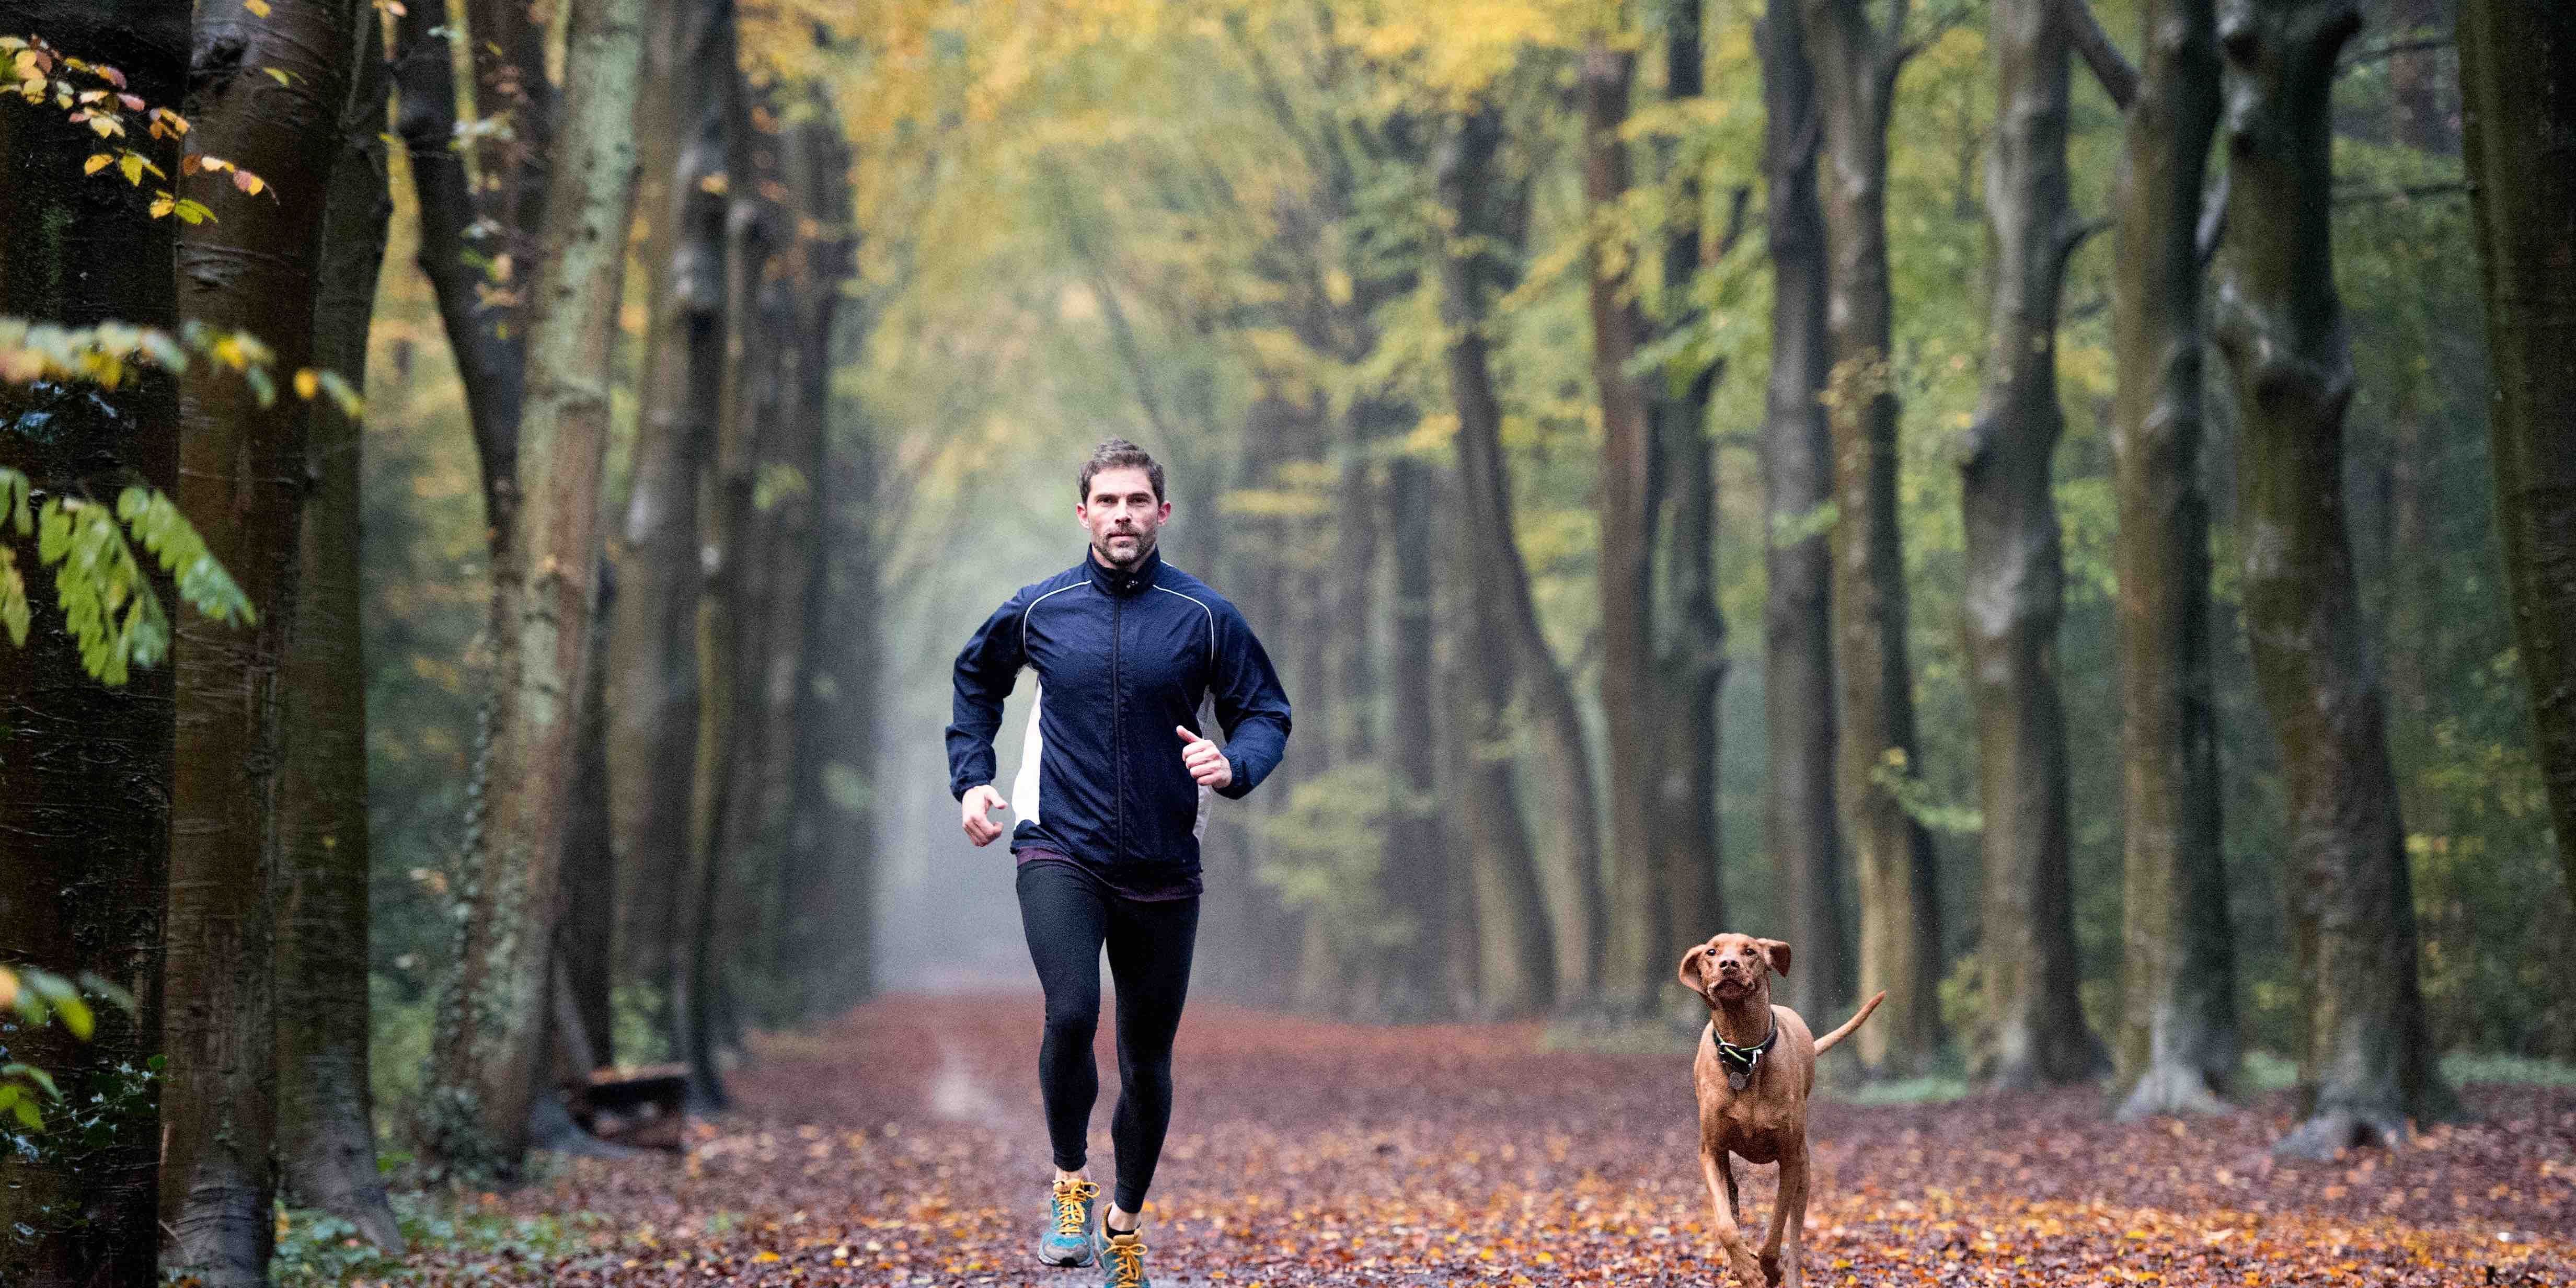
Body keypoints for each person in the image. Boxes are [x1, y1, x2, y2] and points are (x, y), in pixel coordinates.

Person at [946, 438, 1292, 1288]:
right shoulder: (1041, 609)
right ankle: (1069, 1183)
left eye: (1138, 501)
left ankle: (1123, 1221)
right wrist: (972, 780)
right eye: (1107, 502)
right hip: (1058, 845)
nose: (1123, 516)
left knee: (1146, 1057)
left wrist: (1235, 765)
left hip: (1165, 863)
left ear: (1162, 513)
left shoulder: (1206, 617)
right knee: (1070, 1012)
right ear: (1084, 514)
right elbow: (975, 680)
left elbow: (1266, 713)